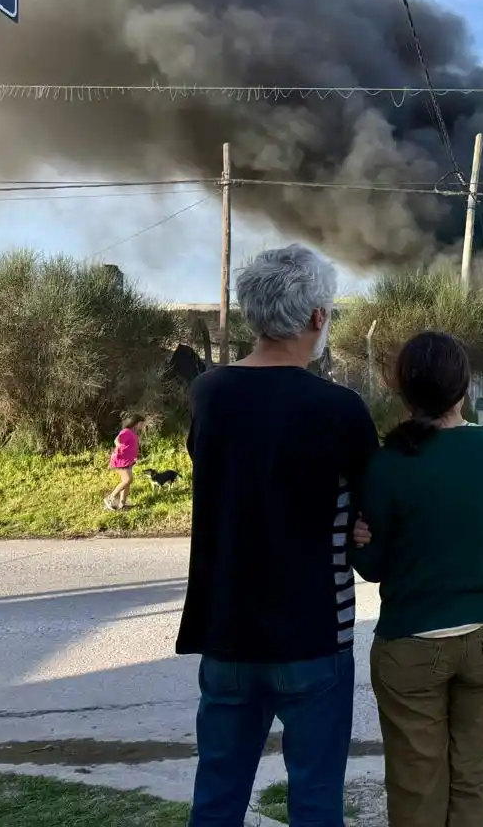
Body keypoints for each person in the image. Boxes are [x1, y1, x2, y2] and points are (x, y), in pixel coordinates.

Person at [179, 244, 379, 826]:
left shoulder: (209, 394)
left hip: (225, 633)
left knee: (216, 797)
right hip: (314, 634)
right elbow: (373, 511)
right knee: (315, 801)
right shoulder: (340, 408)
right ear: (318, 317)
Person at [351, 332, 483, 827]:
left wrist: (358, 539)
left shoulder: (386, 464)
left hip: (412, 643)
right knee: (473, 781)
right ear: (463, 386)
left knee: (416, 788)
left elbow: (374, 567)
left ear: (403, 390)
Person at [104, 414, 144, 511]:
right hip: (120, 460)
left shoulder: (133, 433)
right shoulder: (126, 431)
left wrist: (135, 457)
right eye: (141, 424)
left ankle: (122, 505)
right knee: (128, 480)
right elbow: (116, 440)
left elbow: (131, 447)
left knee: (126, 482)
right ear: (136, 423)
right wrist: (118, 445)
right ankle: (110, 498)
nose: (143, 426)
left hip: (127, 461)